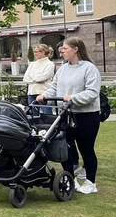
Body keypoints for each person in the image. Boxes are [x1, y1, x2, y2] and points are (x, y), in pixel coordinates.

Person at [37, 37, 102, 194]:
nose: (61, 52)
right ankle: (71, 179)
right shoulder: (63, 69)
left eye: (65, 49)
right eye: (61, 50)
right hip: (65, 114)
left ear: (76, 49)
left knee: (86, 149)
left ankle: (91, 182)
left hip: (86, 115)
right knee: (64, 148)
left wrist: (73, 98)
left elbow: (92, 92)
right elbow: (54, 87)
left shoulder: (89, 69)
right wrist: (45, 96)